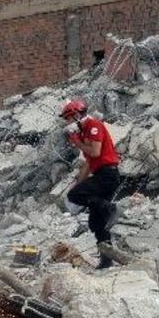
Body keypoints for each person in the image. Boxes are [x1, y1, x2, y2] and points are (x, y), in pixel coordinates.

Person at [61, 99, 121, 269]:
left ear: (77, 115)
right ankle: (107, 259)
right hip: (101, 174)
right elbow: (88, 163)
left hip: (108, 174)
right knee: (97, 223)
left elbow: (95, 152)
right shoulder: (83, 133)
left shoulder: (94, 125)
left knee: (75, 195)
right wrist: (78, 183)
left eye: (69, 118)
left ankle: (108, 207)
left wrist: (77, 142)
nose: (68, 123)